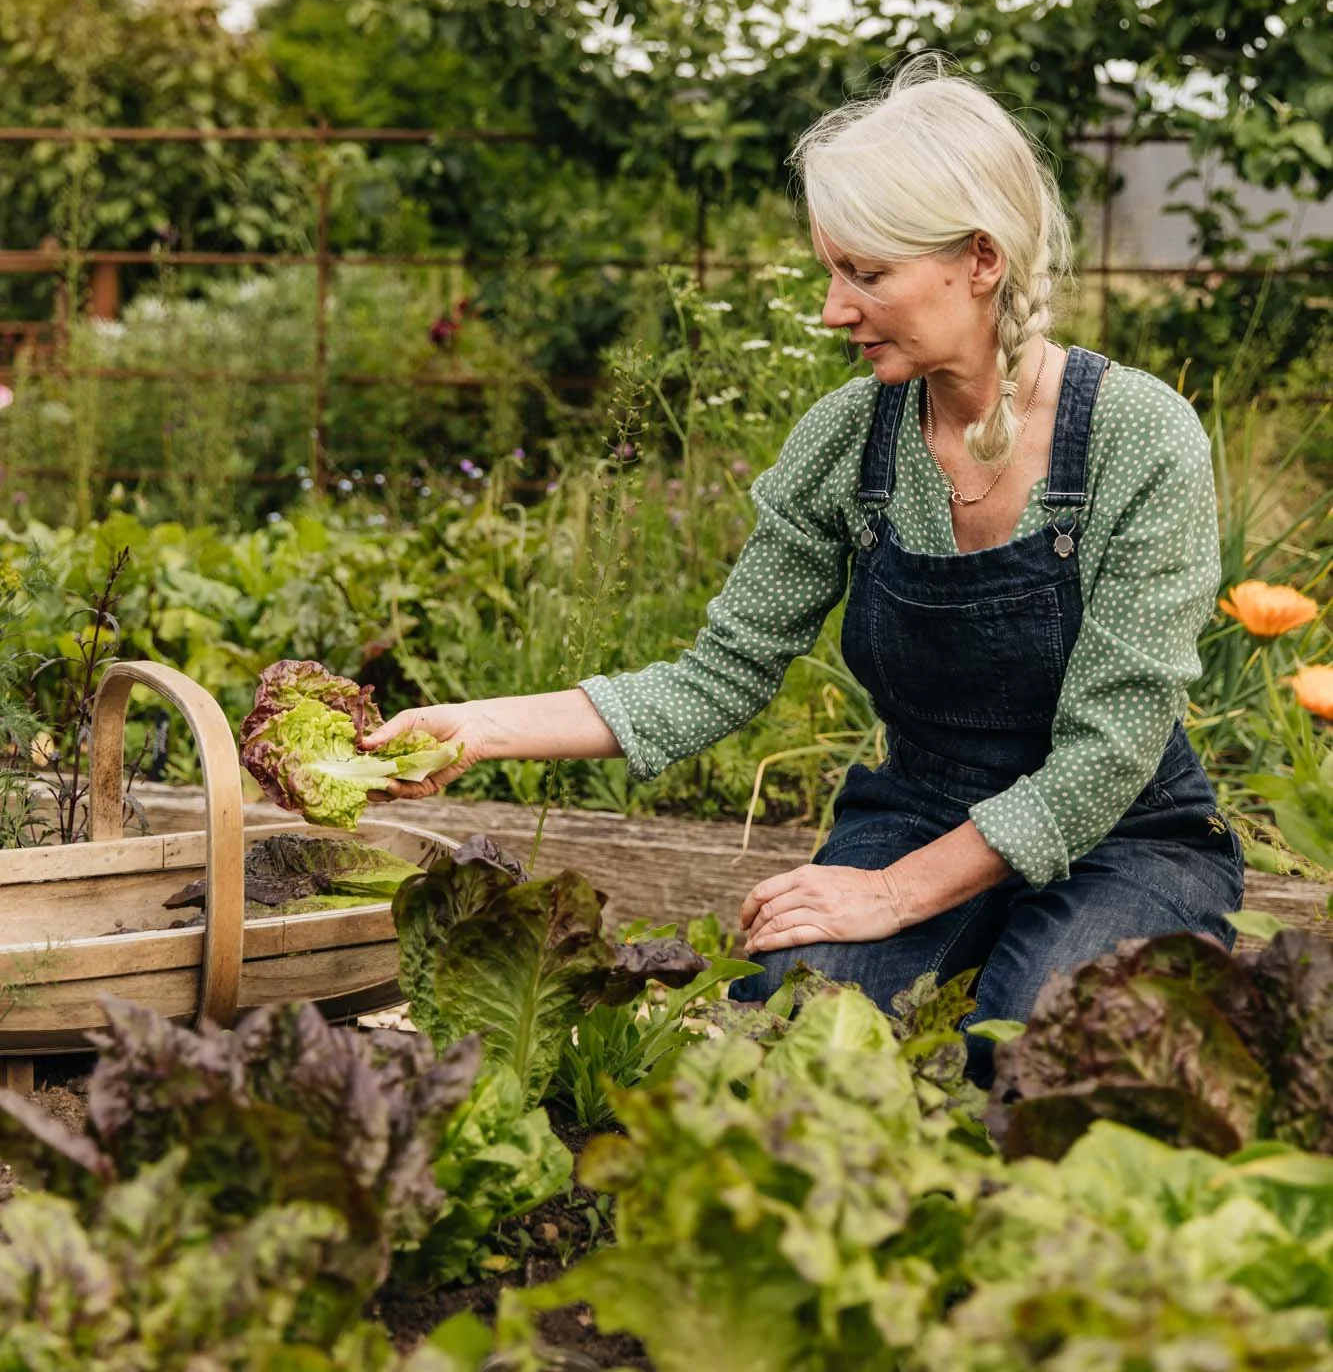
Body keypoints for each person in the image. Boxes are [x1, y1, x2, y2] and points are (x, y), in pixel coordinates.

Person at [363, 59, 1243, 1081]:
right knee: (797, 1029)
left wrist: (893, 894)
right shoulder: (846, 443)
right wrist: (480, 726)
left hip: (1125, 834)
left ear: (980, 259)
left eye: (864, 273)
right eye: (833, 271)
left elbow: (1103, 756)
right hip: (925, 805)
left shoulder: (1137, 435)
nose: (832, 309)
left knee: (1052, 1050)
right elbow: (716, 675)